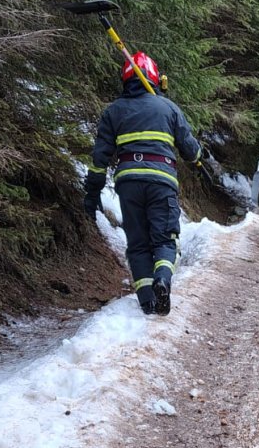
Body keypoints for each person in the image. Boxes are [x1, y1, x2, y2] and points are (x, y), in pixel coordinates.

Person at [83, 51, 201, 316]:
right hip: (162, 181)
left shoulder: (113, 111)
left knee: (137, 244)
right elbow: (190, 149)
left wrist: (91, 195)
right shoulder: (168, 108)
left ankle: (147, 301)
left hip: (128, 184)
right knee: (165, 240)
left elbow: (99, 158)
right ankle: (162, 279)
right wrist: (198, 159)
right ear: (156, 78)